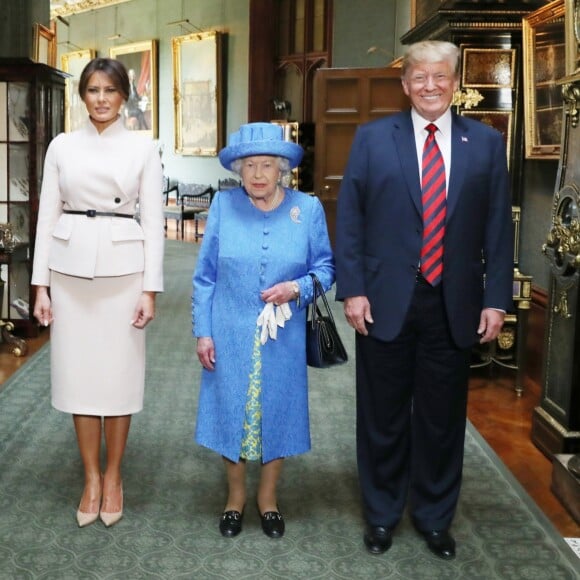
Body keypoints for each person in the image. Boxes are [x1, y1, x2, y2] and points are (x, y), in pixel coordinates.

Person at [335, 40, 514, 559]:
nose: (430, 86)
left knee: (441, 418)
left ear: (455, 83)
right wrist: (353, 291)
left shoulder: (484, 143)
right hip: (384, 300)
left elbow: (498, 229)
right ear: (405, 83)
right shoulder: (372, 139)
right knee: (382, 416)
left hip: (455, 303)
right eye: (419, 77)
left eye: (440, 77)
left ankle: (435, 517)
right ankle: (382, 514)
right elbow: (351, 223)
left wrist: (496, 300)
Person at [31, 57, 164, 528]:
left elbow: (154, 222)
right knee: (80, 380)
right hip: (69, 274)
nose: (102, 98)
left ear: (124, 95)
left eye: (110, 89)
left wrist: (150, 289)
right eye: (93, 90)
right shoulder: (62, 147)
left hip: (124, 273)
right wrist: (40, 285)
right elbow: (47, 216)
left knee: (118, 380)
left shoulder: (144, 148)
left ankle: (114, 476)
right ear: (82, 96)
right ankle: (90, 477)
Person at [193, 122, 334, 539]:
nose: (257, 174)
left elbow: (326, 269)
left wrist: (297, 288)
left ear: (282, 169)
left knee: (279, 412)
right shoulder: (222, 205)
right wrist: (204, 331)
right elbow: (204, 277)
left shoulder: (307, 209)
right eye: (250, 165)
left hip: (283, 336)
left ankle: (267, 499)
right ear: (238, 168)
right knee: (229, 411)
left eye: (267, 165)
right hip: (229, 329)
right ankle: (235, 498)